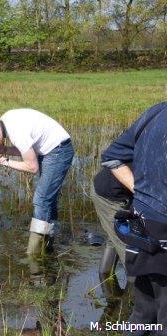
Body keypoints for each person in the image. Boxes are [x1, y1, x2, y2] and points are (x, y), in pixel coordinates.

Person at [101, 102, 167, 333]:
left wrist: (143, 194)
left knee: (143, 313)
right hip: (159, 229)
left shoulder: (155, 112)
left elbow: (111, 158)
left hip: (141, 225)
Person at [0, 108, 74, 256]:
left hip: (58, 151)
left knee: (41, 199)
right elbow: (26, 148)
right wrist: (5, 150)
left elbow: (32, 167)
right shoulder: (4, 119)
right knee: (48, 199)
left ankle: (34, 253)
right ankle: (48, 244)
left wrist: (4, 161)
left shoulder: (16, 134)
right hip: (49, 148)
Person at [92, 166, 133, 296]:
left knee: (114, 236)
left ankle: (109, 293)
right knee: (131, 250)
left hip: (117, 192)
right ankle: (130, 308)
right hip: (110, 196)